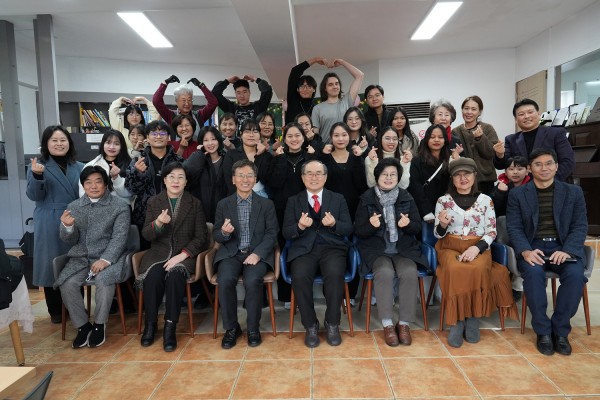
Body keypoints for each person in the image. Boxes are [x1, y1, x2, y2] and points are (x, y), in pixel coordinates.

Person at [506, 148, 587, 356]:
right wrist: (525, 251)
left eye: (549, 163)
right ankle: (542, 331)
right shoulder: (517, 194)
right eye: (538, 164)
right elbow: (514, 227)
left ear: (557, 166)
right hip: (533, 247)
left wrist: (568, 251)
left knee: (576, 276)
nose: (544, 168)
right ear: (530, 169)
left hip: (563, 247)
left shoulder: (573, 192)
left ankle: (560, 330)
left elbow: (580, 226)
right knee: (533, 275)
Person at [434, 157, 518, 348]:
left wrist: (476, 248)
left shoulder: (486, 201)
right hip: (450, 246)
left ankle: (472, 317)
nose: (463, 178)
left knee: (478, 268)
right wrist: (443, 225)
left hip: (478, 246)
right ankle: (457, 321)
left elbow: (491, 231)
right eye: (458, 175)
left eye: (467, 174)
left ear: (475, 176)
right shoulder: (443, 201)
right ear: (452, 179)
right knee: (454, 268)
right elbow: (437, 234)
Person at [354, 158, 428, 346]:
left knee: (409, 272)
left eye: (393, 175)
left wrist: (408, 224)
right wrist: (370, 226)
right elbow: (359, 231)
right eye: (384, 174)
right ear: (377, 176)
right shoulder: (366, 198)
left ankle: (403, 324)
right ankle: (387, 324)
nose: (388, 178)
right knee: (385, 272)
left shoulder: (406, 196)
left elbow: (417, 227)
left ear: (398, 177)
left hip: (403, 249)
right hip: (377, 250)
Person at [137, 162, 209, 352]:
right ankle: (150, 324)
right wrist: (158, 223)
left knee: (175, 276)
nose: (176, 181)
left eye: (180, 177)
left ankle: (170, 327)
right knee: (153, 278)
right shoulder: (154, 202)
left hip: (185, 256)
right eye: (171, 177)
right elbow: (146, 235)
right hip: (158, 254)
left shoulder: (194, 203)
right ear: (164, 180)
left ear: (186, 182)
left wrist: (183, 255)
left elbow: (201, 237)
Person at [56, 166, 131, 348]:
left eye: (98, 181)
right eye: (88, 182)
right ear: (83, 185)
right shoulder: (74, 207)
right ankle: (83, 326)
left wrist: (105, 259)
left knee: (104, 280)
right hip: (81, 258)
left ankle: (99, 325)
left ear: (106, 184)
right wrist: (67, 227)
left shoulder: (120, 206)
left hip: (111, 257)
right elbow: (70, 240)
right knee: (67, 283)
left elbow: (120, 237)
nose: (93, 186)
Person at [282, 160, 354, 348]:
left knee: (335, 274)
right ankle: (310, 325)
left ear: (325, 177)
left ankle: (332, 323)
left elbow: (348, 228)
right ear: (303, 177)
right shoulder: (293, 200)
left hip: (332, 248)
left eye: (318, 173)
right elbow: (286, 232)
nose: (314, 177)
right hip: (303, 249)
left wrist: (334, 224)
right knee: (299, 276)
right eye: (309, 173)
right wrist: (299, 227)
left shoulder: (338, 199)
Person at [213, 160, 279, 349]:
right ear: (233, 179)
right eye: (240, 175)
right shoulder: (223, 204)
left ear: (255, 179)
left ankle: (253, 328)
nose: (245, 179)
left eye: (249, 175)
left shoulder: (266, 204)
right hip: (231, 253)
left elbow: (272, 233)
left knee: (252, 281)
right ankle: (231, 328)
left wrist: (258, 254)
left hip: (256, 254)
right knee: (225, 280)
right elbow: (216, 234)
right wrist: (224, 232)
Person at [26, 125, 84, 323]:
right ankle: (56, 311)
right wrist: (37, 176)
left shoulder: (79, 166)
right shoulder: (38, 165)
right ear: (46, 144)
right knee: (50, 265)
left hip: (75, 218)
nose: (59, 144)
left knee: (75, 262)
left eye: (63, 140)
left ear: (69, 143)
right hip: (49, 220)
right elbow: (34, 195)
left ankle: (76, 308)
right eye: (54, 140)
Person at [267, 123, 317, 306]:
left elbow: (315, 182)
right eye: (290, 136)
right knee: (283, 250)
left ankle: (305, 293)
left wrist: (311, 158)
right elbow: (275, 183)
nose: (294, 139)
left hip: (307, 210)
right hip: (282, 212)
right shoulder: (277, 158)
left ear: (303, 137)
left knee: (306, 250)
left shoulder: (310, 157)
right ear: (284, 139)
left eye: (297, 135)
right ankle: (286, 295)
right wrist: (280, 159)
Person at [125, 120, 183, 248]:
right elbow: (131, 189)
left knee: (171, 251)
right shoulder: (138, 160)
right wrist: (138, 173)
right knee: (145, 253)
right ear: (147, 137)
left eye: (162, 133)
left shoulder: (178, 161)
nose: (158, 137)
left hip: (172, 216)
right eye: (154, 133)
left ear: (168, 137)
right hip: (144, 217)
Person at [493, 98, 575, 182]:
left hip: (552, 185)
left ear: (539, 114)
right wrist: (500, 155)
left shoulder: (556, 133)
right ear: (516, 120)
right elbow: (502, 165)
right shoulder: (511, 139)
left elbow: (567, 161)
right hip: (523, 186)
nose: (526, 116)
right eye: (521, 114)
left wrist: (548, 182)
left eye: (530, 112)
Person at [408, 124, 458, 220]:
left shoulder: (450, 159)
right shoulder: (417, 161)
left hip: (446, 209)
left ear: (445, 140)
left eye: (440, 137)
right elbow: (415, 187)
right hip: (425, 211)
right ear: (426, 139)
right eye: (432, 137)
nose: (436, 140)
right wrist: (426, 211)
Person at [452, 96, 500, 194]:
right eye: (466, 108)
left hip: (485, 180)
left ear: (479, 112)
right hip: (463, 181)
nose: (469, 112)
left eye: (473, 109)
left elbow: (491, 153)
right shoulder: (456, 132)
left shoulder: (487, 128)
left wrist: (480, 138)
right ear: (462, 110)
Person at [320, 122, 368, 219]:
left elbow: (361, 185)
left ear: (349, 136)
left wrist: (358, 158)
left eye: (344, 135)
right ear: (331, 137)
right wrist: (325, 157)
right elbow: (322, 184)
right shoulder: (325, 158)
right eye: (336, 135)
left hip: (354, 208)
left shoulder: (356, 157)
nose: (340, 139)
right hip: (330, 208)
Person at [311, 59, 364, 143]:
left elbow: (360, 75)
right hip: (325, 148)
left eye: (337, 83)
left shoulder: (346, 101)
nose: (335, 86)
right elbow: (315, 135)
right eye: (330, 84)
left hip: (345, 147)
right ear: (325, 88)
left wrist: (342, 62)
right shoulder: (317, 108)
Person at [152, 75, 218, 140]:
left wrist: (201, 85)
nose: (187, 103)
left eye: (189, 100)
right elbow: (156, 101)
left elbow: (213, 103)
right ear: (176, 101)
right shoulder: (171, 116)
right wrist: (165, 83)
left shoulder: (199, 115)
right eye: (183, 100)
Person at [185, 126, 228, 223]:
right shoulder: (197, 159)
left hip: (223, 215)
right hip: (200, 215)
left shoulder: (227, 160)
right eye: (206, 140)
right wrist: (199, 154)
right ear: (201, 143)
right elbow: (187, 175)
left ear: (218, 140)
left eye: (213, 139)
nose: (210, 143)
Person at [222, 119, 272, 197]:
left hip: (262, 197)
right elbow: (229, 180)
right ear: (241, 135)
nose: (251, 135)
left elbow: (265, 179)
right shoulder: (231, 154)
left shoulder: (266, 155)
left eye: (255, 131)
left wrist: (259, 155)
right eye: (247, 131)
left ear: (259, 135)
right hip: (237, 196)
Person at [79, 130, 132, 202]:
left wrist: (116, 178)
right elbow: (83, 192)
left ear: (122, 146)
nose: (112, 147)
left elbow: (128, 194)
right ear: (103, 144)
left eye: (116, 144)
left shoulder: (129, 165)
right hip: (97, 207)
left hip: (122, 207)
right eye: (108, 142)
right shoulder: (92, 165)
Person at [285, 57, 326, 124]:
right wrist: (315, 60)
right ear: (298, 89)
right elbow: (295, 71)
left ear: (314, 89)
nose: (305, 89)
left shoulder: (316, 109)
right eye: (302, 86)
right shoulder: (293, 100)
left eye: (309, 86)